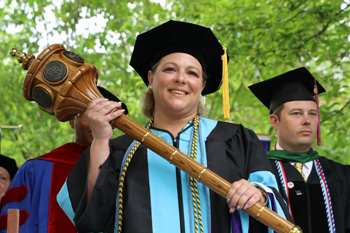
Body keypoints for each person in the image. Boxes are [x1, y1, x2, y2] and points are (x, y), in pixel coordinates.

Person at [58, 20, 292, 233]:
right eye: (170, 69)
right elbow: (92, 219)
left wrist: (258, 194)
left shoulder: (237, 139)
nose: (181, 78)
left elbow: (271, 199)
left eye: (192, 72)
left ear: (202, 84)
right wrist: (100, 140)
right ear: (151, 78)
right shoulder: (122, 150)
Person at [0, 87, 127, 233]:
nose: (97, 123)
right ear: (72, 121)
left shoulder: (123, 170)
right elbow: (14, 223)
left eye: (108, 118)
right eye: (88, 116)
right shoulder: (35, 169)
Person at [248, 67, 350, 233]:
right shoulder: (258, 172)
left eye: (312, 114)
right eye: (296, 113)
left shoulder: (341, 175)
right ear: (275, 121)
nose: (307, 120)